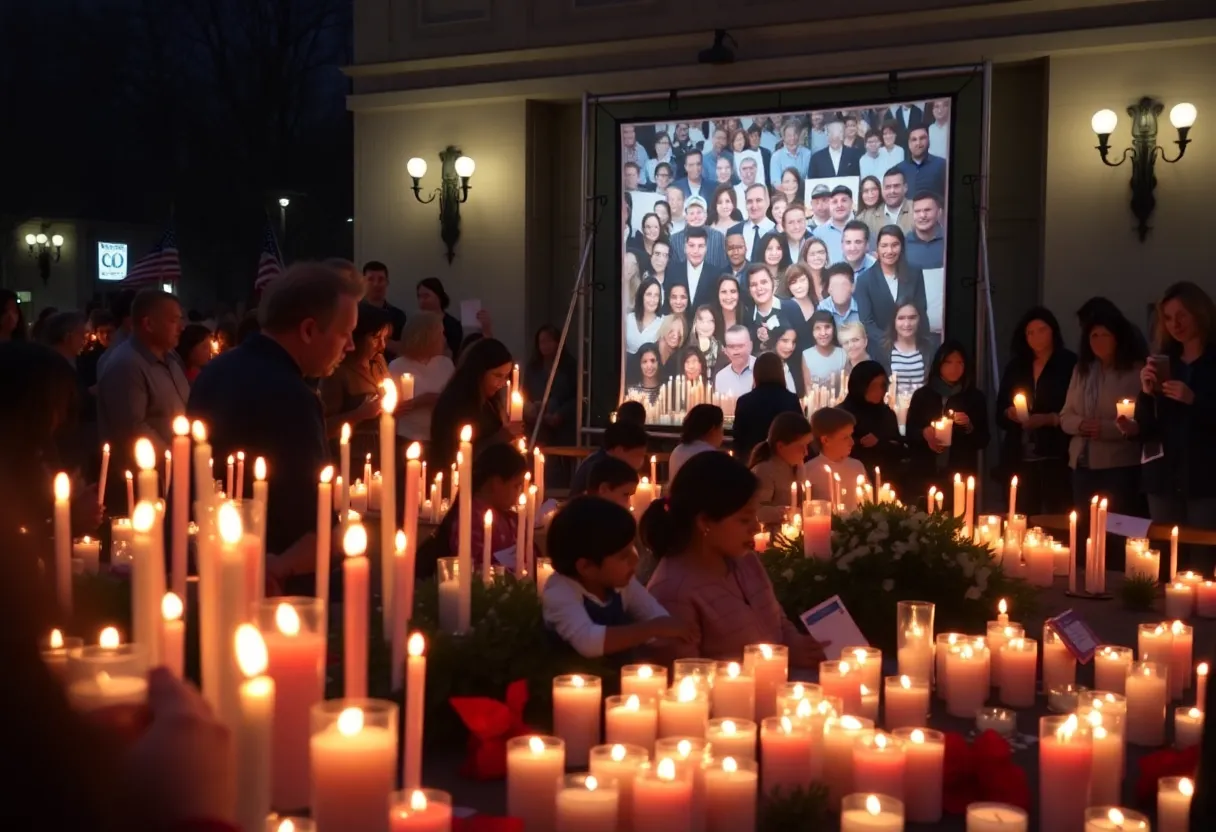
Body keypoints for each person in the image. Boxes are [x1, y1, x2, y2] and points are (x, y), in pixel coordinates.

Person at [189, 262, 363, 584]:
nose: (350, 346)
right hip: (270, 582)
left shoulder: (216, 370)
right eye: (345, 333)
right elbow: (309, 521)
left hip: (209, 563)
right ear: (309, 330)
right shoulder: (293, 395)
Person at [643, 452, 829, 666]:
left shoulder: (745, 561)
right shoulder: (673, 592)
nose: (755, 528)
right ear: (705, 521)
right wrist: (781, 661)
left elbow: (777, 620)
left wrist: (797, 643)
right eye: (744, 520)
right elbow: (686, 681)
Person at [1134, 282, 1216, 573]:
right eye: (1168, 318)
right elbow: (1147, 427)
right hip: (1164, 476)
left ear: (1200, 312)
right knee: (1166, 559)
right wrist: (1145, 394)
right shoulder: (1166, 363)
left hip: (1205, 476)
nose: (1175, 324)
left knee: (1204, 560)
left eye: (1182, 315)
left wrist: (1195, 400)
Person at [543, 496, 684, 660]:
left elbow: (655, 616)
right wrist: (653, 629)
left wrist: (670, 631)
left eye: (632, 548)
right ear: (586, 567)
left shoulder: (622, 584)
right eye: (624, 556)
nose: (635, 559)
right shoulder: (559, 593)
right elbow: (588, 641)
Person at [1060, 309, 1145, 568]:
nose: (1097, 340)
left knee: (1116, 534)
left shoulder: (1136, 372)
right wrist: (1081, 424)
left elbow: (1143, 422)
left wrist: (1106, 429)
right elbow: (1065, 416)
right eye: (1092, 335)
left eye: (1103, 335)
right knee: (1084, 531)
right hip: (1082, 465)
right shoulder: (1082, 371)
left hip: (1118, 467)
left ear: (1118, 337)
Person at [96, 289, 189, 507]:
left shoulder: (172, 360)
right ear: (148, 324)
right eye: (174, 320)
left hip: (173, 477)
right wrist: (175, 457)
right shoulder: (126, 365)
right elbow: (132, 428)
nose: (181, 328)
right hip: (141, 486)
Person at [995, 307, 1077, 516]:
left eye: (1042, 330)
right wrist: (1010, 413)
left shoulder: (1069, 364)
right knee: (1021, 515)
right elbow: (1000, 409)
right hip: (1018, 456)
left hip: (1056, 456)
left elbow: (1076, 409)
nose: (1036, 337)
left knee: (1056, 516)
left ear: (1053, 331)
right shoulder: (1017, 366)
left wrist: (1049, 419)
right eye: (1030, 332)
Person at [906, 341, 990, 510]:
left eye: (960, 363)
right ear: (939, 364)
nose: (955, 368)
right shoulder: (923, 395)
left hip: (959, 474)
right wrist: (924, 433)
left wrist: (969, 427)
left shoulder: (974, 397)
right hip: (926, 472)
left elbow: (984, 439)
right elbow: (909, 433)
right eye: (949, 362)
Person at [429, 337, 519, 471]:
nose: (501, 384)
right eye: (497, 376)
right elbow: (454, 453)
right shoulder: (455, 404)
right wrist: (501, 437)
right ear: (479, 372)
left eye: (506, 377)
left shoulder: (490, 401)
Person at [443, 443, 529, 572]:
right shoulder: (470, 520)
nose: (519, 493)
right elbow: (470, 568)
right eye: (516, 486)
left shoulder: (508, 517)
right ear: (496, 483)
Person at [387, 311, 455, 448]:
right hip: (406, 437)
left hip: (440, 438)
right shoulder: (397, 366)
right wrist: (417, 402)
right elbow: (391, 407)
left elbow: (457, 397)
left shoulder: (446, 364)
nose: (444, 339)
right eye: (441, 333)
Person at [839, 360, 905, 483]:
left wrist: (880, 442)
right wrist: (859, 442)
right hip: (849, 479)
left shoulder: (887, 414)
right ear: (860, 386)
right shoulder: (841, 415)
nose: (879, 391)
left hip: (886, 481)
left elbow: (899, 447)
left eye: (882, 385)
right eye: (873, 386)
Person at [732, 352, 802, 464]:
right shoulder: (790, 399)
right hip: (784, 463)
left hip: (752, 463)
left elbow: (739, 438)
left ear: (756, 373)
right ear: (780, 372)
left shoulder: (745, 401)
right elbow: (800, 434)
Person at [749, 411, 814, 525]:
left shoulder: (798, 466)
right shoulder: (764, 471)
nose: (806, 452)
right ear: (781, 446)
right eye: (800, 446)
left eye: (807, 445)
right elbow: (756, 511)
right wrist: (787, 512)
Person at [804, 406, 867, 512]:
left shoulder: (857, 466)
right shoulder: (809, 471)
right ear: (826, 440)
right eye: (845, 437)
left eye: (851, 436)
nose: (852, 442)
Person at [570, 419, 649, 496]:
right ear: (619, 450)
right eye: (638, 455)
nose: (641, 461)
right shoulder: (600, 470)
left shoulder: (607, 462)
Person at [417, 277, 491, 358]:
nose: (422, 301)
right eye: (419, 297)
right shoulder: (416, 324)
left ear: (439, 297)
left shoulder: (452, 325)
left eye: (426, 296)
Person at [362, 260, 407, 361]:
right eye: (371, 279)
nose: (376, 284)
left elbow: (404, 349)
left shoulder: (397, 315)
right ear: (363, 282)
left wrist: (378, 341)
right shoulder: (354, 313)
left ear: (387, 282)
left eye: (381, 279)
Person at [667, 404, 725, 483]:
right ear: (712, 429)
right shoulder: (713, 457)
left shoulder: (677, 451)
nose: (722, 433)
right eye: (721, 427)